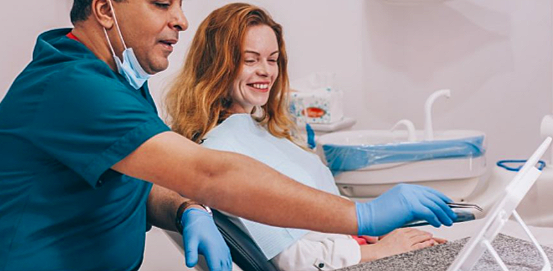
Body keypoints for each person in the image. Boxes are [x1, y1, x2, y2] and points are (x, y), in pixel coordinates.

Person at [0, 1, 455, 271]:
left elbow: (136, 190)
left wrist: (184, 210)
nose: (180, 19)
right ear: (104, 8)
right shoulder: (71, 85)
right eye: (162, 2)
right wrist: (364, 216)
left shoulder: (123, 88)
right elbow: (209, 173)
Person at [166, 3, 454, 270]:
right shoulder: (222, 149)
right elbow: (294, 260)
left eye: (273, 59)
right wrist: (378, 251)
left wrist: (370, 231)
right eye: (250, 60)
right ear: (217, 65)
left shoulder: (256, 129)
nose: (266, 71)